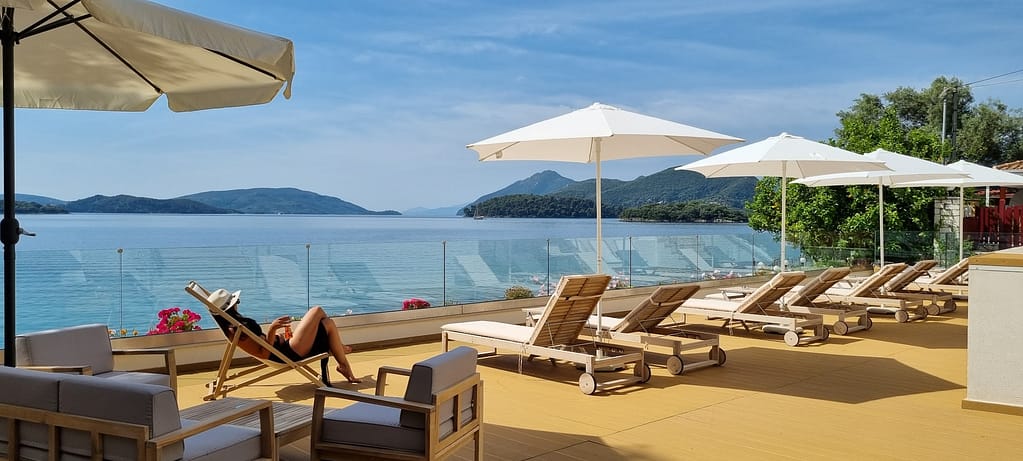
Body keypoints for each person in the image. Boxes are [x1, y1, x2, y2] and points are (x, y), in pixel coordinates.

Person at [206, 288, 361, 383]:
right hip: (288, 353)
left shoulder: (235, 327)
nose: (238, 303)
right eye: (236, 301)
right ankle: (339, 350)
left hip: (285, 347)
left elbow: (263, 344)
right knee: (317, 310)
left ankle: (344, 367)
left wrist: (278, 335)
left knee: (327, 323)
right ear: (230, 308)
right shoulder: (237, 333)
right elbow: (264, 353)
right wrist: (273, 329)